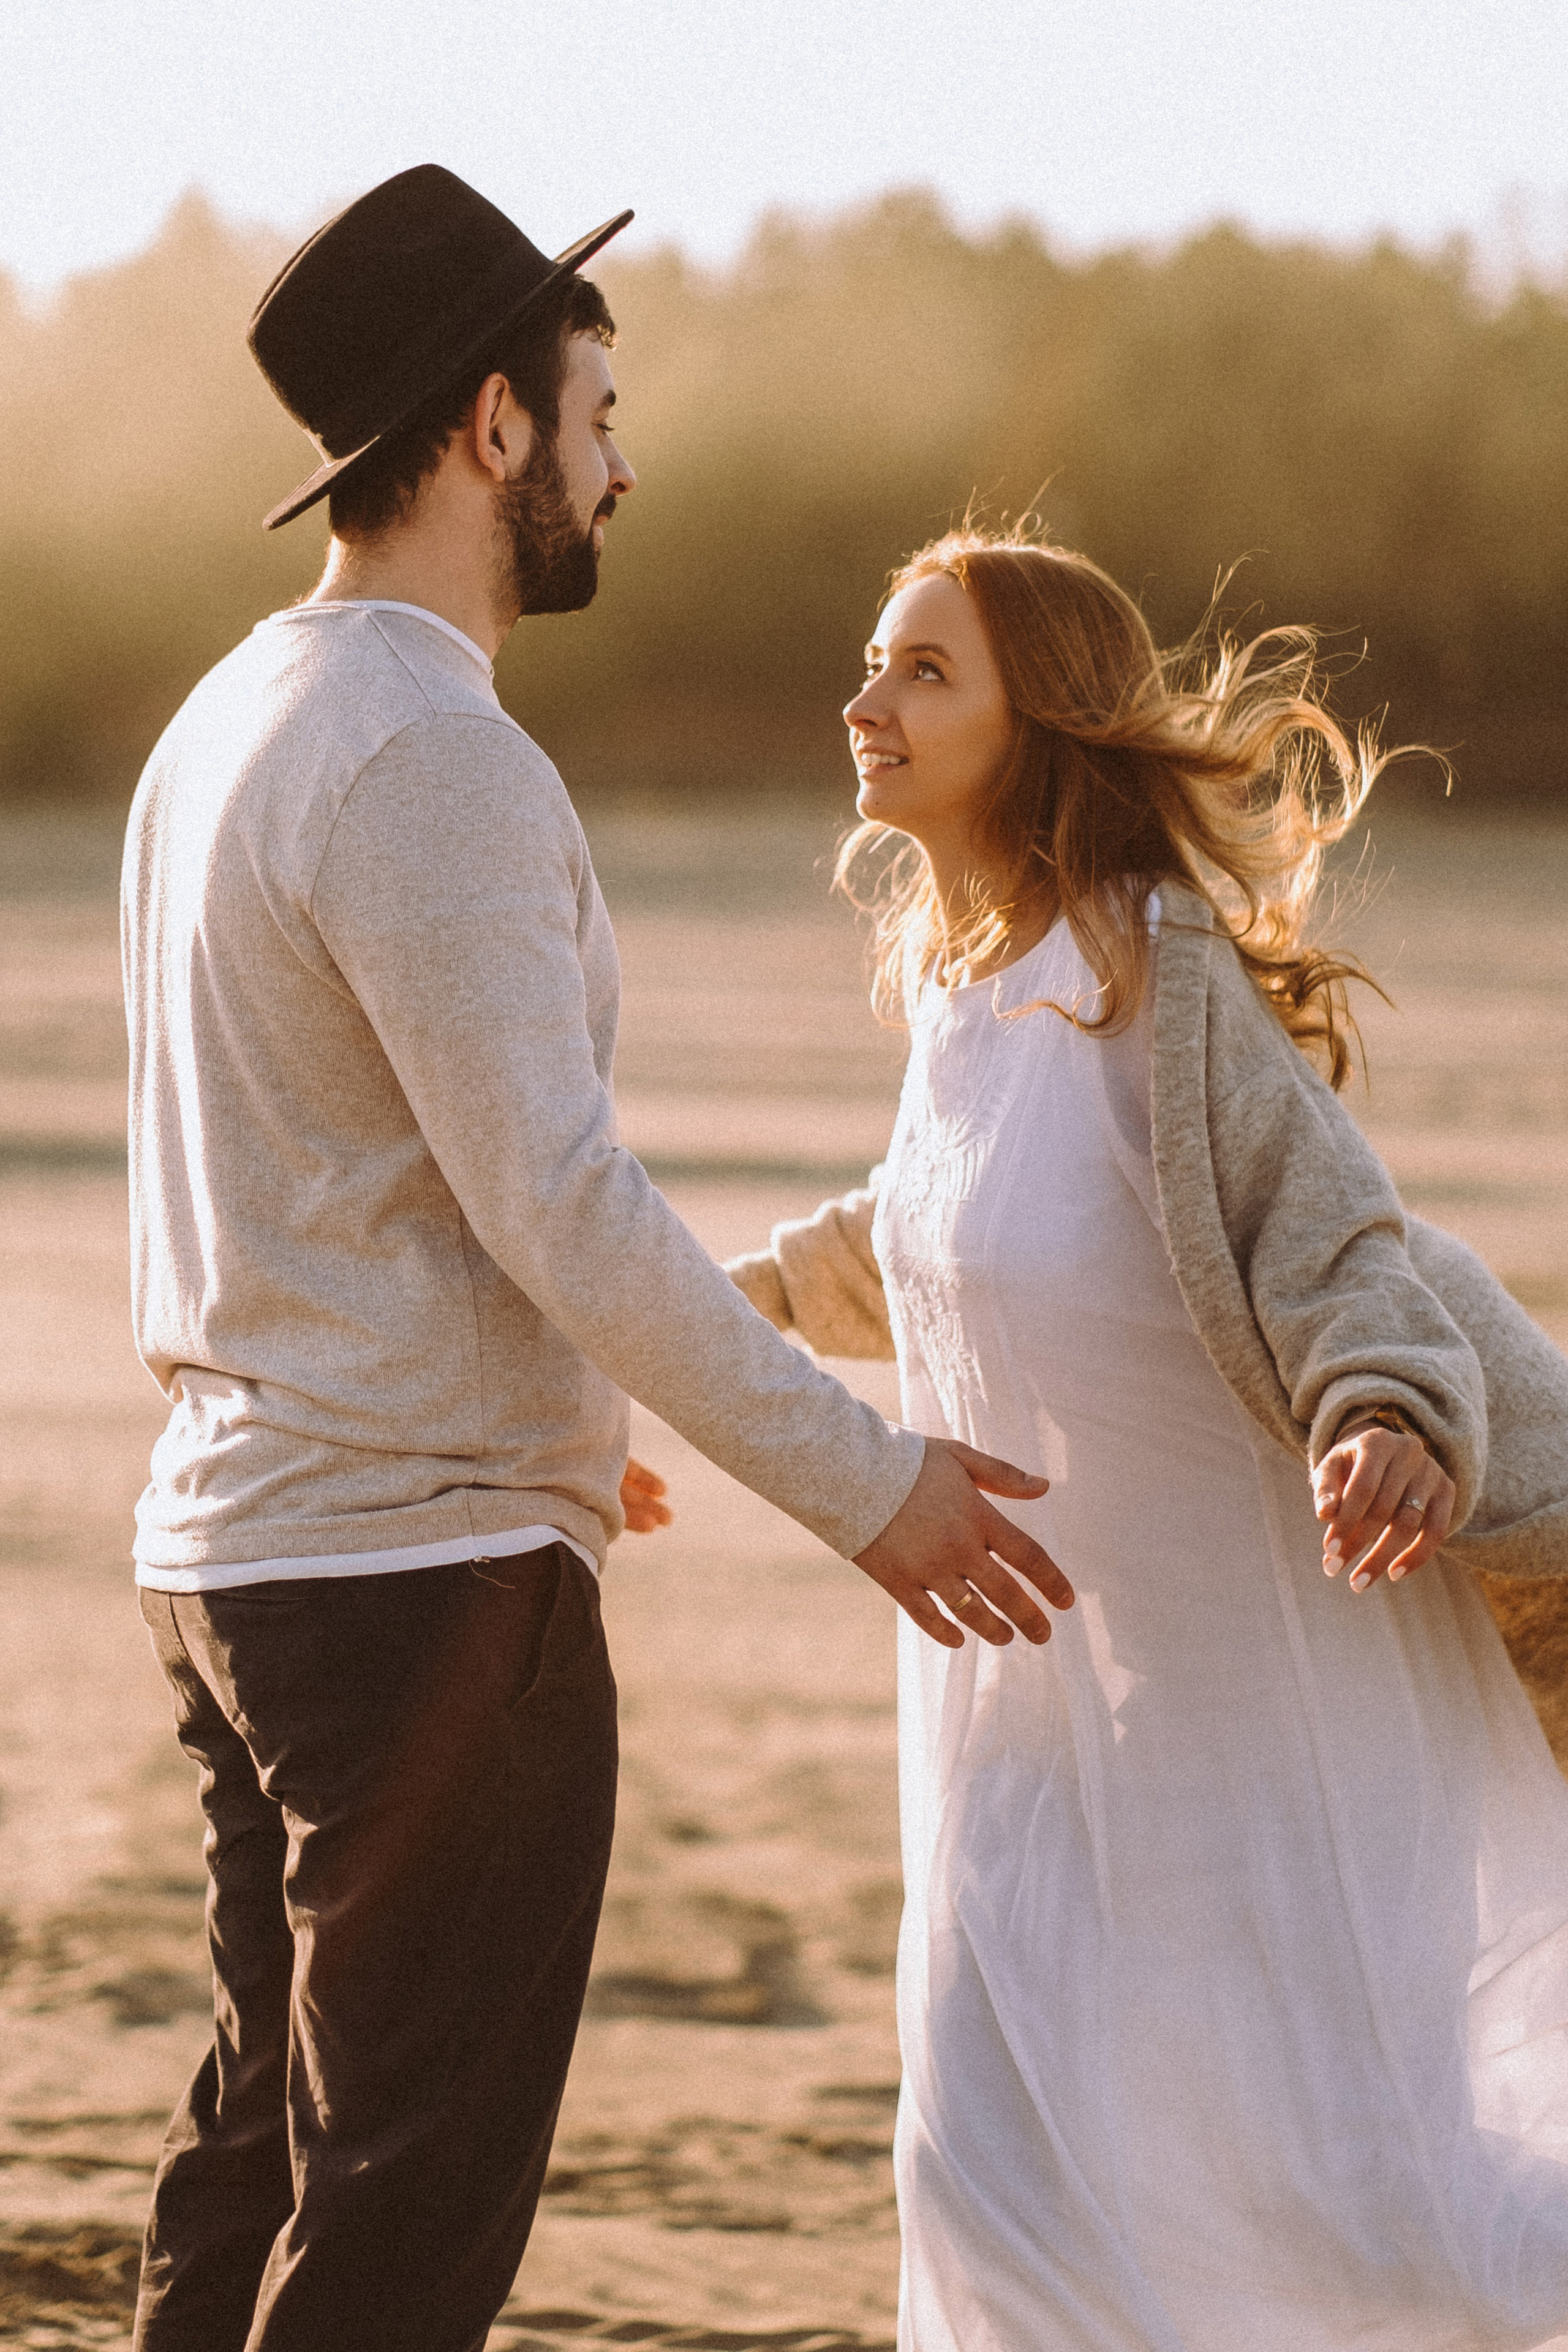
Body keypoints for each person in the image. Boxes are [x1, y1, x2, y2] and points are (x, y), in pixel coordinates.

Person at [120, 175, 1074, 2352]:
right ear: (490, 427)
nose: (623, 463)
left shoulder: (219, 730)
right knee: (397, 2233)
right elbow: (557, 1206)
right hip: (415, 1596)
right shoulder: (427, 752)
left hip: (240, 1562)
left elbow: (372, 1193)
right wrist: (874, 1486)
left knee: (260, 2164)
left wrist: (566, 1428)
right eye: (598, 410)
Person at [728, 528, 1568, 2351]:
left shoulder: (1155, 981)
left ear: (1044, 719)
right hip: (1024, 1718)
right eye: (876, 662)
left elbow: (1333, 1234)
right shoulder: (961, 983)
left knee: (1351, 2188)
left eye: (924, 670)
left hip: (1238, 1715)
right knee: (992, 2177)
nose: (867, 701)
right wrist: (709, 1331)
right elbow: (923, 1227)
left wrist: (1388, 1416)